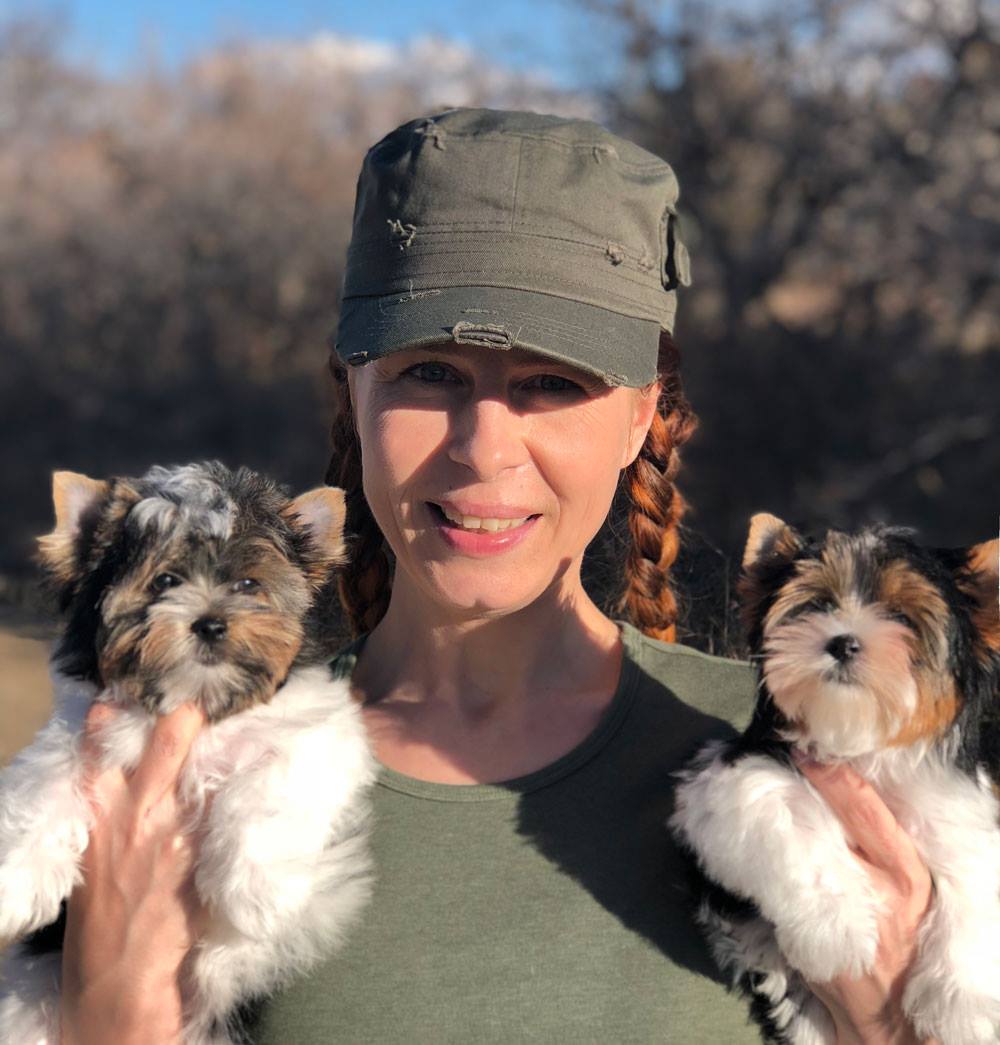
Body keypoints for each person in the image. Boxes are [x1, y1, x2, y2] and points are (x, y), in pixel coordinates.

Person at [58, 109, 933, 1044]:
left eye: (552, 382)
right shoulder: (191, 769)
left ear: (642, 416)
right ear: (352, 391)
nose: (484, 448)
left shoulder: (809, 760)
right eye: (430, 371)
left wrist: (896, 1023)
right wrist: (105, 1011)